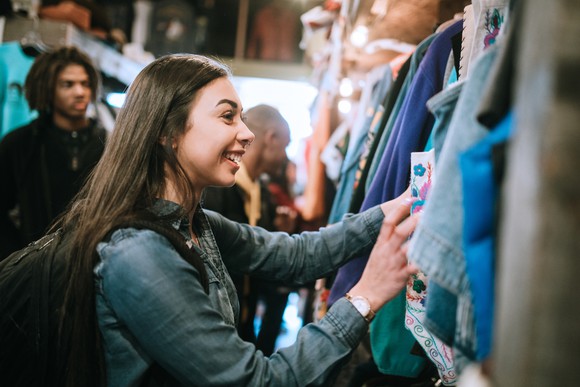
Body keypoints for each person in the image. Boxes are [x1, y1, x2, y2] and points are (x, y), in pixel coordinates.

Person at [56, 53, 419, 386]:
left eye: (241, 118)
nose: (247, 133)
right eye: (228, 116)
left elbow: (295, 256)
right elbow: (259, 381)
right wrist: (365, 296)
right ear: (167, 132)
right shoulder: (139, 253)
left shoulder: (195, 224)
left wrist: (391, 210)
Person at [203, 104, 298, 356]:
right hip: (216, 324)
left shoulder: (263, 192)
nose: (285, 155)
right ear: (271, 138)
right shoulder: (218, 188)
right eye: (285, 146)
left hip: (243, 319)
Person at [0, 46, 107, 260]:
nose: (80, 92)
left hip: (93, 265)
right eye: (68, 84)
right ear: (48, 88)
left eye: (85, 84)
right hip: (34, 269)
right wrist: (17, 256)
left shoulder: (108, 143)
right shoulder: (21, 143)